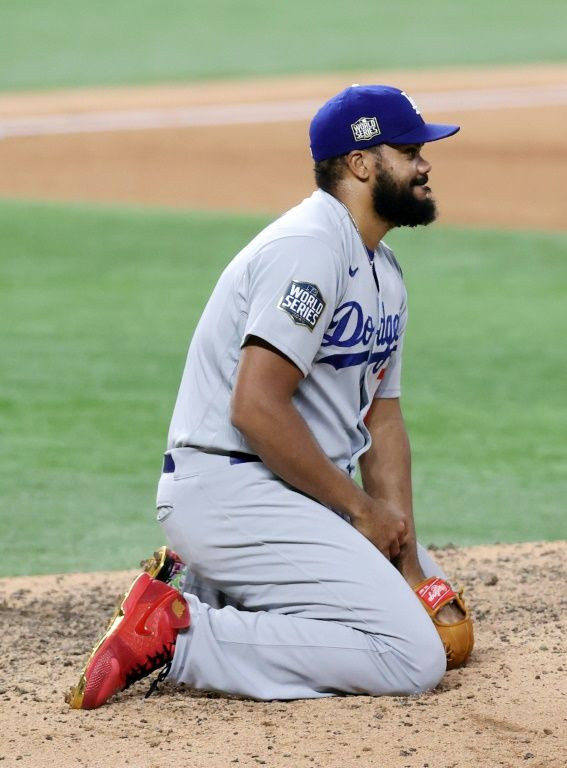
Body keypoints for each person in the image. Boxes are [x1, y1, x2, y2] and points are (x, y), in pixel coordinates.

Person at [67, 84, 473, 710]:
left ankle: (205, 584)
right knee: (410, 654)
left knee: (433, 596)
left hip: (294, 494)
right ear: (361, 163)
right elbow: (255, 407)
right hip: (233, 486)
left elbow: (383, 422)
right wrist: (362, 513)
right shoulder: (308, 249)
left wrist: (408, 561)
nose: (424, 166)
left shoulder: (383, 270)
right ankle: (183, 634)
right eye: (410, 151)